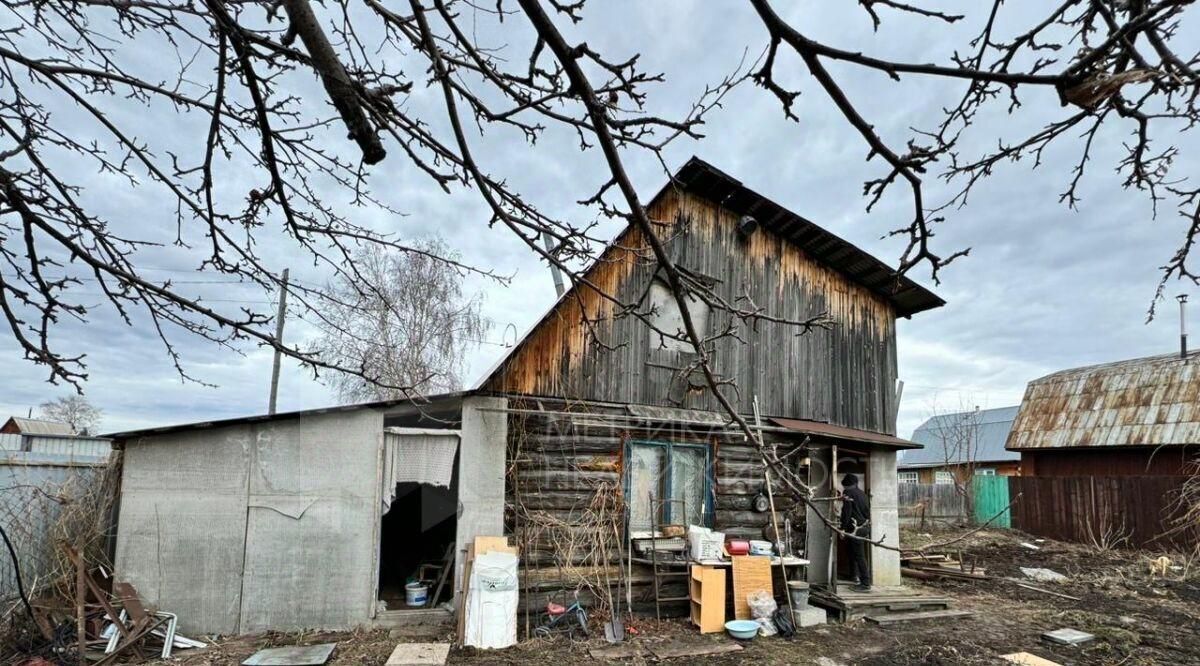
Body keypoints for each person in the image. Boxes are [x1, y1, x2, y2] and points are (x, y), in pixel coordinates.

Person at [839, 474, 872, 591]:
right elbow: (867, 513)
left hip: (855, 529)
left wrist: (842, 528)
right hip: (863, 527)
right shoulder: (863, 494)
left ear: (847, 484)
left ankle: (865, 583)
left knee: (859, 555)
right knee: (854, 553)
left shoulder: (848, 493)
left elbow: (847, 513)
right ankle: (855, 576)